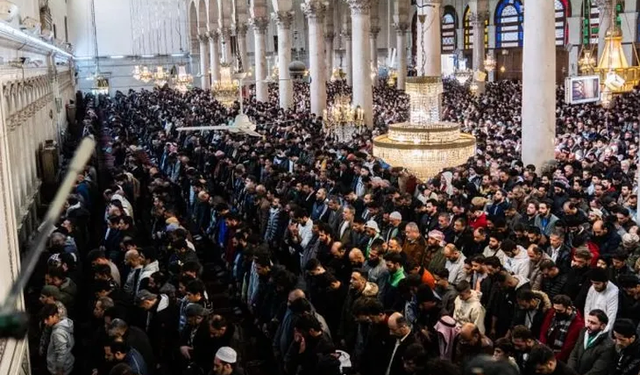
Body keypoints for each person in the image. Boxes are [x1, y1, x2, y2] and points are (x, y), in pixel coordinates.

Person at [567, 309, 615, 375]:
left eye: (593, 323)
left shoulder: (608, 345)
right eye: (588, 321)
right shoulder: (583, 332)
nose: (588, 325)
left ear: (602, 326)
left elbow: (598, 370)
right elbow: (574, 354)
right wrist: (570, 371)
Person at [539, 295, 584, 362]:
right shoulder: (553, 312)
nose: (556, 312)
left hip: (559, 357)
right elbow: (543, 331)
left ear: (568, 308)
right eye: (555, 309)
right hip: (546, 349)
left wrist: (553, 360)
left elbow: (567, 349)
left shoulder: (578, 324)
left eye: (559, 311)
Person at [41, 303, 75, 375]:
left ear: (55, 315)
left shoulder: (58, 333)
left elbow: (61, 353)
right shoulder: (65, 323)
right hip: (68, 363)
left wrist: (59, 370)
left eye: (48, 318)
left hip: (60, 370)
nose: (45, 322)